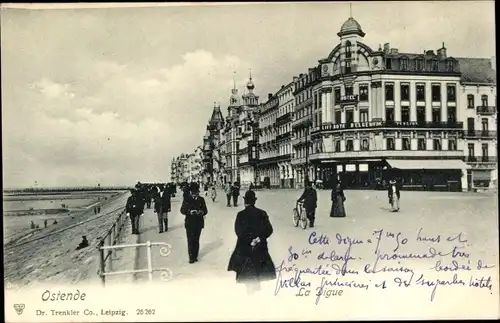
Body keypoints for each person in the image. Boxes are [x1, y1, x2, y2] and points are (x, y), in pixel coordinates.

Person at [227, 190, 276, 294]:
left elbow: (238, 231)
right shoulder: (262, 213)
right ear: (254, 201)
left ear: (245, 202)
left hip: (245, 247)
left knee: (247, 272)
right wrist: (259, 239)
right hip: (260, 246)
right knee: (258, 269)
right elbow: (269, 229)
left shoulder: (240, 214)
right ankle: (255, 290)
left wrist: (249, 240)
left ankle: (250, 291)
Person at [180, 182, 208, 264]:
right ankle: (191, 257)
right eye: (194, 193)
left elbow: (206, 211)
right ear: (191, 192)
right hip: (189, 223)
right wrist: (189, 211)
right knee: (190, 240)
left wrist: (201, 212)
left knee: (196, 240)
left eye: (197, 193)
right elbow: (182, 210)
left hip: (199, 223)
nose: (196, 195)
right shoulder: (187, 199)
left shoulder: (201, 199)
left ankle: (195, 256)